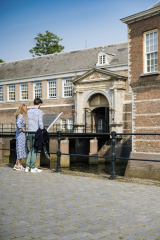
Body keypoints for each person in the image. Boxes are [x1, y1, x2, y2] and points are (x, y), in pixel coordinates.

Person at [25, 98, 43, 173]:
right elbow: (40, 122)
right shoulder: (39, 111)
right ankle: (33, 167)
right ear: (39, 104)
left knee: (31, 150)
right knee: (35, 150)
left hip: (29, 132)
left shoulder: (28, 111)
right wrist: (42, 129)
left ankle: (27, 167)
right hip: (36, 132)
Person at [14, 104, 28, 170]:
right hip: (21, 135)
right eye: (26, 109)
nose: (26, 110)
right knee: (20, 149)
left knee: (19, 148)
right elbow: (18, 124)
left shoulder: (18, 115)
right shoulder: (21, 116)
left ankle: (16, 164)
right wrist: (23, 129)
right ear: (23, 109)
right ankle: (19, 165)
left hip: (18, 134)